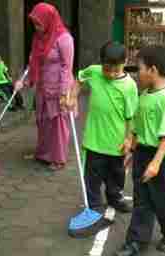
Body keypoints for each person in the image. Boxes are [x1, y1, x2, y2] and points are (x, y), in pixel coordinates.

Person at [115, 46, 165, 256]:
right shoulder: (143, 95)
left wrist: (156, 162)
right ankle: (136, 241)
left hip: (162, 158)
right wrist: (132, 149)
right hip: (143, 154)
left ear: (153, 70)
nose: (137, 73)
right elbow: (137, 127)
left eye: (140, 68)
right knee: (142, 199)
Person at [66, 42, 139, 213]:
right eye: (107, 69)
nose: (111, 74)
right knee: (92, 178)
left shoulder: (129, 87)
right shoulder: (94, 71)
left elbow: (132, 117)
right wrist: (73, 97)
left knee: (116, 177)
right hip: (94, 141)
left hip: (116, 144)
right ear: (101, 63)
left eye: (116, 70)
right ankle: (95, 206)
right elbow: (79, 79)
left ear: (125, 62)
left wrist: (129, 139)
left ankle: (115, 197)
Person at [15, 3, 75, 170]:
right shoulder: (38, 38)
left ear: (49, 20)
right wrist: (24, 81)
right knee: (43, 122)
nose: (36, 27)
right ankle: (43, 154)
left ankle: (58, 159)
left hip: (58, 88)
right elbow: (33, 63)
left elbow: (66, 67)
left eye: (39, 23)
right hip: (43, 87)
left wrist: (64, 93)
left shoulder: (64, 39)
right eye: (34, 23)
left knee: (57, 124)